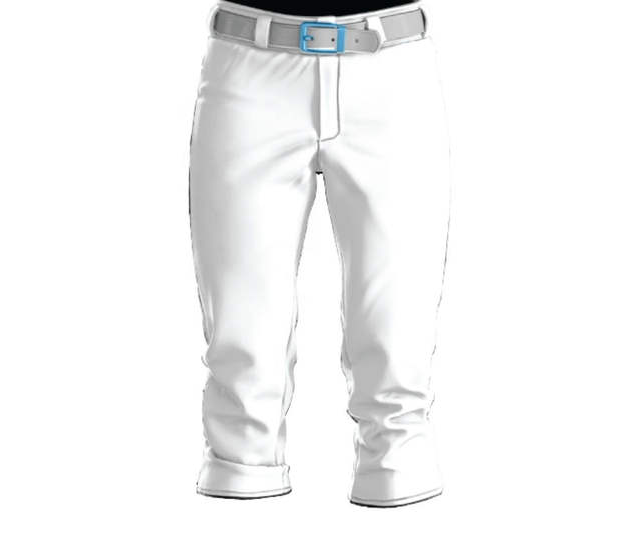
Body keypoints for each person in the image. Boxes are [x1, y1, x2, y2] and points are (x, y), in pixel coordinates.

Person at [188, 0, 451, 507]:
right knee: (242, 356)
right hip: (249, 66)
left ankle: (399, 493)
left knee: (398, 349)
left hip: (390, 66)